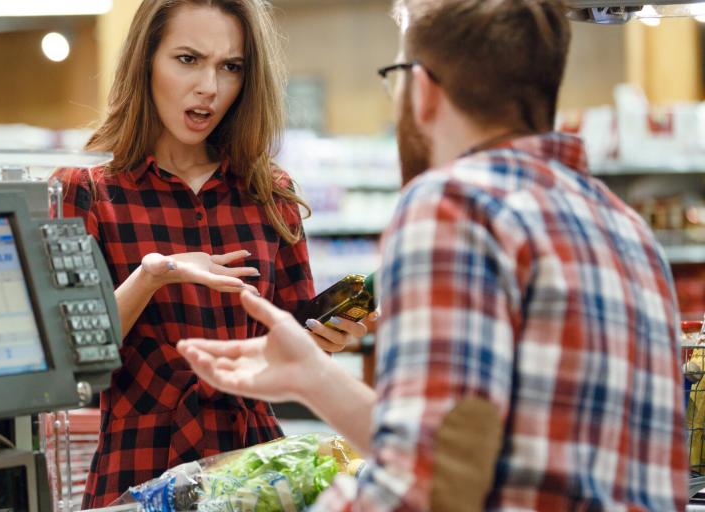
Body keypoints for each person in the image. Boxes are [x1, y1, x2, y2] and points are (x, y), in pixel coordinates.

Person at [178, 0, 689, 509]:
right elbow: (471, 452)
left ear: (420, 89)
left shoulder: (453, 205)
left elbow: (419, 489)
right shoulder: (630, 233)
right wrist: (312, 377)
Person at [52, 0, 368, 507]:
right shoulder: (87, 194)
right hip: (139, 467)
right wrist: (152, 276)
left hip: (258, 470)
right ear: (145, 61)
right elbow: (69, 361)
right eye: (187, 59)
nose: (210, 87)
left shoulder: (270, 193)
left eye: (231, 67)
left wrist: (325, 337)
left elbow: (284, 346)